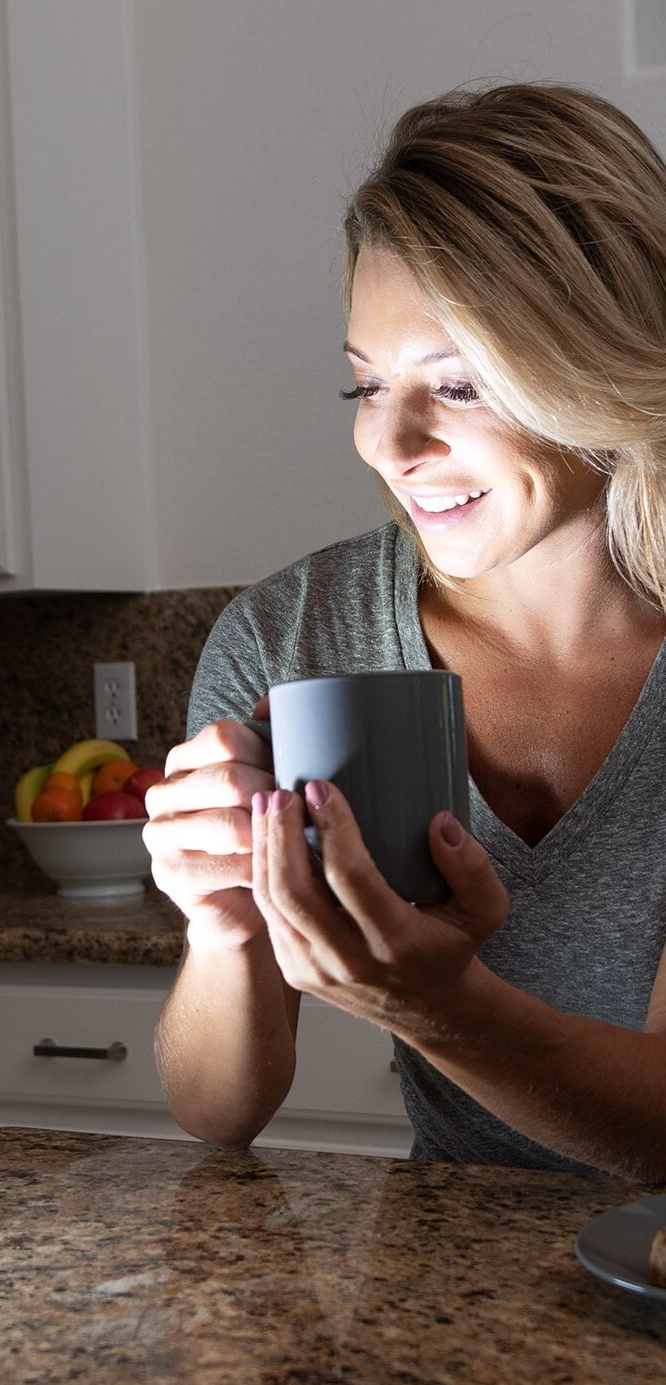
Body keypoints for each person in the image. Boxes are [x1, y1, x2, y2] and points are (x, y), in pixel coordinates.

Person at [144, 82, 666, 1181]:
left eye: (459, 384)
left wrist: (437, 1006)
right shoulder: (295, 638)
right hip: (445, 1276)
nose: (390, 440)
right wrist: (227, 923)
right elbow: (216, 1109)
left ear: (608, 357)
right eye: (364, 385)